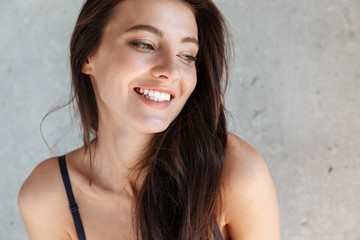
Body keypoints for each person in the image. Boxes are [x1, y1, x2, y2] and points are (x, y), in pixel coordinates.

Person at [18, 0, 280, 239]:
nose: (170, 71)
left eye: (187, 55)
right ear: (88, 55)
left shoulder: (234, 174)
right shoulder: (49, 196)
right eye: (144, 44)